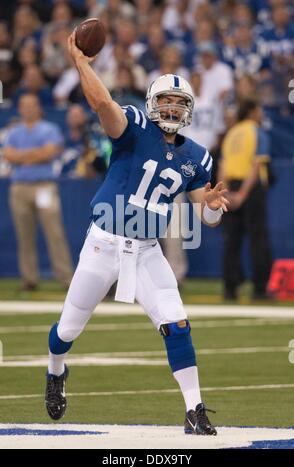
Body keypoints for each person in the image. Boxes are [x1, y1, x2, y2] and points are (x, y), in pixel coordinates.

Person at [45, 31, 229, 436]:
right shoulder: (135, 127)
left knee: (177, 323)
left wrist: (212, 208)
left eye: (180, 102)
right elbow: (101, 104)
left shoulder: (196, 155)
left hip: (147, 250)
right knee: (67, 330)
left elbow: (207, 212)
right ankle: (56, 371)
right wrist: (82, 63)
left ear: (191, 109)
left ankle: (194, 409)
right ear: (152, 102)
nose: (172, 107)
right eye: (166, 100)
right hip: (103, 244)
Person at [3, 93, 73, 290]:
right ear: (20, 109)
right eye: (24, 106)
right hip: (19, 187)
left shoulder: (49, 129)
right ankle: (29, 279)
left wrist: (22, 157)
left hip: (44, 185)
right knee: (24, 234)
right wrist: (36, 154)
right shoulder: (14, 131)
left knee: (54, 232)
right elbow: (8, 155)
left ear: (38, 108)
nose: (28, 109)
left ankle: (66, 278)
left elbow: (50, 152)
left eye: (31, 105)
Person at [219, 98, 273, 300]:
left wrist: (224, 193)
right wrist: (242, 194)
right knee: (258, 239)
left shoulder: (231, 133)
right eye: (259, 109)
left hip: (230, 187)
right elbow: (256, 166)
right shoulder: (257, 132)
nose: (261, 114)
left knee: (231, 241)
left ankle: (230, 288)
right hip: (251, 189)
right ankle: (260, 288)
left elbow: (223, 167)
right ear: (252, 111)